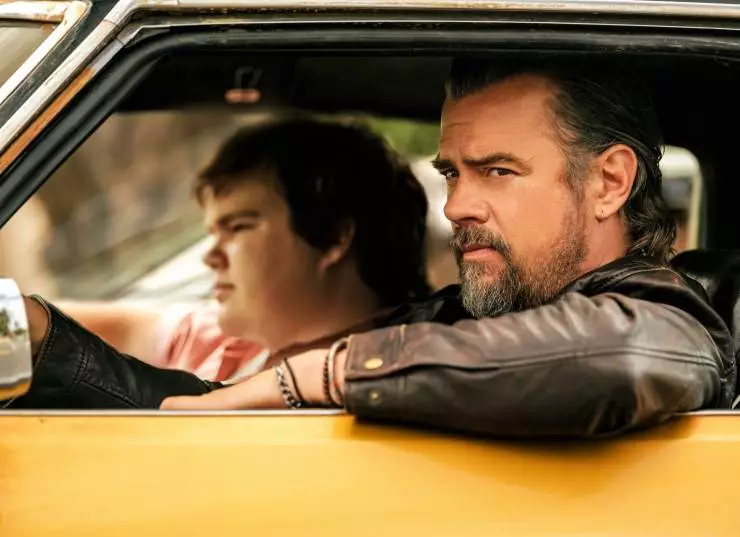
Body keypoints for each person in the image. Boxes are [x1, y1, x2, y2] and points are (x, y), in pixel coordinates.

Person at [11, 59, 735, 439]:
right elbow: (216, 415)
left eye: (497, 171)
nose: (456, 205)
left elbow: (621, 358)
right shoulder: (454, 326)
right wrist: (47, 345)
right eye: (453, 173)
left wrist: (325, 371)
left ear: (609, 182)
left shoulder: (673, 317)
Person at [50, 117, 431, 382]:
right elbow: (113, 330)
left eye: (238, 227)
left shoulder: (394, 377)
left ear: (334, 237)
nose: (210, 257)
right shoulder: (231, 341)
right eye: (213, 232)